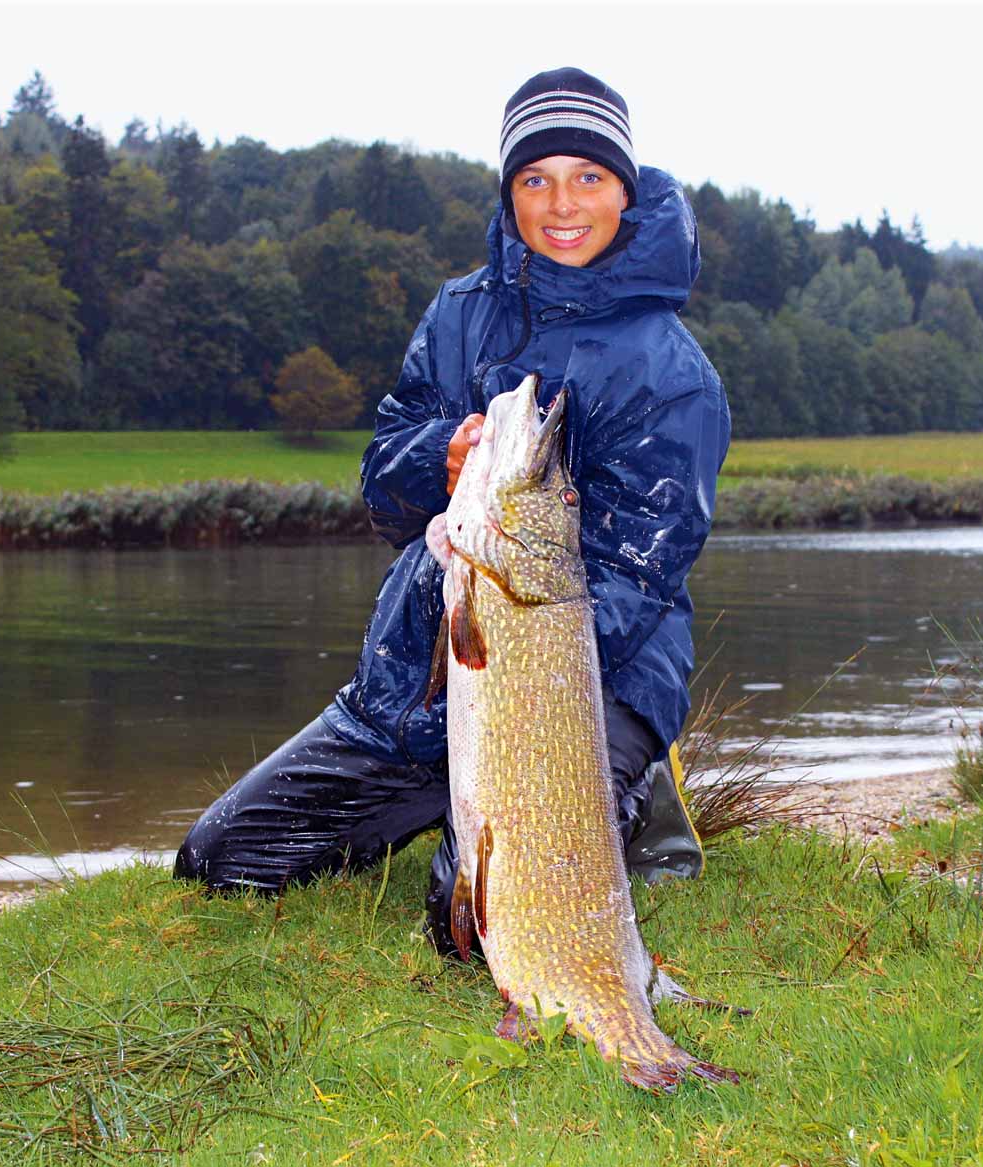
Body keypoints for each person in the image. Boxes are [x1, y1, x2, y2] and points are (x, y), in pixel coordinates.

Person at [173, 67, 731, 956]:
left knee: (471, 933)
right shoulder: (458, 314)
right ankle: (438, 791)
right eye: (534, 179)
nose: (562, 204)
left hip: (590, 677)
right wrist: (441, 458)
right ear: (509, 191)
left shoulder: (675, 375)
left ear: (626, 188)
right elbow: (383, 490)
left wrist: (517, 697)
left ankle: (631, 786)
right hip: (414, 677)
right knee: (219, 862)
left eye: (588, 178)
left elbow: (637, 578)